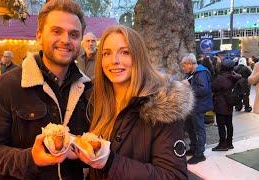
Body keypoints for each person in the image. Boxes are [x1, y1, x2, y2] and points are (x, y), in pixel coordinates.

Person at [0, 0, 91, 179]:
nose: (66, 40)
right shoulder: (6, 86)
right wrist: (29, 159)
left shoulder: (88, 90)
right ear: (39, 35)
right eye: (56, 31)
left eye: (74, 34)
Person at [75, 25, 194, 179]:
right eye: (106, 53)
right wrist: (78, 151)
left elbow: (174, 176)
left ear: (138, 56)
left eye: (125, 52)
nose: (114, 61)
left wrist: (111, 163)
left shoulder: (162, 106)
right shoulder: (95, 101)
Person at [181, 53, 213, 164]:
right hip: (194, 105)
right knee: (189, 126)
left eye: (184, 65)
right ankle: (194, 148)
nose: (183, 67)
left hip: (199, 106)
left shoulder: (201, 72)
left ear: (190, 64)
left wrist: (188, 86)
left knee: (199, 129)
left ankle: (200, 154)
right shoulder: (194, 73)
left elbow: (203, 90)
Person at [211, 60, 241, 151]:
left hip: (221, 104)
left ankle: (222, 144)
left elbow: (212, 87)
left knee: (221, 125)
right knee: (229, 124)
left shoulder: (220, 78)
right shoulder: (234, 77)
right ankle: (229, 143)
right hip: (230, 103)